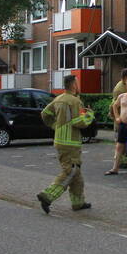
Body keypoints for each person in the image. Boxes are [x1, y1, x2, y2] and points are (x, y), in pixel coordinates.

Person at [36, 74, 95, 214]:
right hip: (71, 143)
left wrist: (55, 125)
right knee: (71, 171)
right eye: (78, 83)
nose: (78, 85)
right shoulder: (75, 102)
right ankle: (47, 195)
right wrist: (90, 115)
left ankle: (78, 203)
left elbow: (44, 114)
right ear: (74, 85)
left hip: (59, 140)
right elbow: (79, 122)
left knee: (77, 175)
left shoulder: (58, 99)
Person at [106, 76, 127, 175]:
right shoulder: (121, 96)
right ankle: (115, 168)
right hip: (123, 124)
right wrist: (117, 117)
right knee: (119, 146)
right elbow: (114, 106)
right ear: (126, 86)